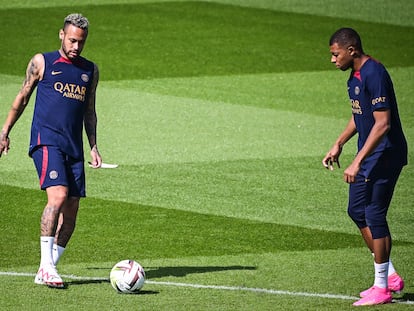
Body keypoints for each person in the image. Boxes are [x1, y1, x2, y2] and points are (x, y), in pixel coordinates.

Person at [0, 13, 102, 288]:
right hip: (46, 141)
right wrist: (4, 131)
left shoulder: (90, 70)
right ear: (61, 34)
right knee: (57, 196)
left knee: (71, 215)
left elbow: (89, 112)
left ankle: (46, 268)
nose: (76, 47)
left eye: (81, 42)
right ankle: (46, 266)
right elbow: (22, 97)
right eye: (72, 40)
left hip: (74, 147)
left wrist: (93, 146)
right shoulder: (42, 62)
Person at [322, 28, 407, 306]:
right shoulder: (355, 77)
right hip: (368, 155)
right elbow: (360, 114)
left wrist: (357, 162)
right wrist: (339, 143)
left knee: (374, 213)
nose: (333, 60)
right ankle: (390, 275)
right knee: (356, 210)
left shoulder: (374, 73)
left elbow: (383, 123)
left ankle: (381, 288)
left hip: (385, 155)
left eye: (335, 54)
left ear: (351, 50)